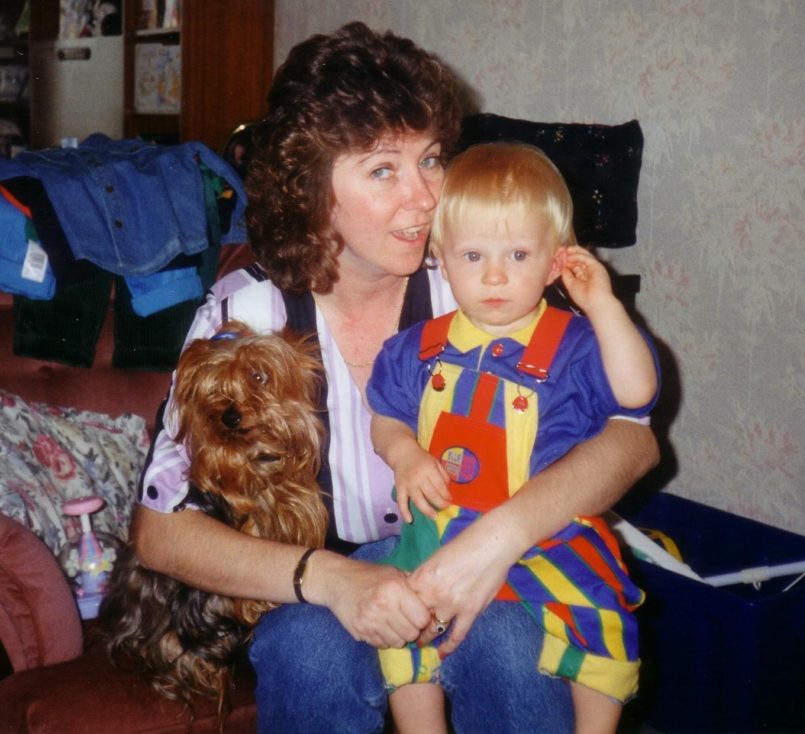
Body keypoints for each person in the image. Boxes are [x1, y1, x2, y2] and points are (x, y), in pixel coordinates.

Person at [130, 22, 659, 733]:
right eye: (383, 170)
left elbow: (633, 436)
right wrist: (327, 577)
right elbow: (161, 532)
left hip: (496, 544)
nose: (425, 198)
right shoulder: (246, 313)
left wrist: (498, 538)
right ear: (313, 188)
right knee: (305, 653)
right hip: (331, 572)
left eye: (432, 159)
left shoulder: (483, 276)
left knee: (512, 649)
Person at [368, 142, 659, 734]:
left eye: (519, 254)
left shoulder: (577, 345)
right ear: (441, 261)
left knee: (601, 621)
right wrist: (403, 453)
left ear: (556, 263)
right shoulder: (416, 348)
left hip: (548, 536)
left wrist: (601, 305)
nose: (494, 275)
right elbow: (386, 417)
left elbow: (636, 397)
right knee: (403, 621)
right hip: (440, 531)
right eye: (473, 255)